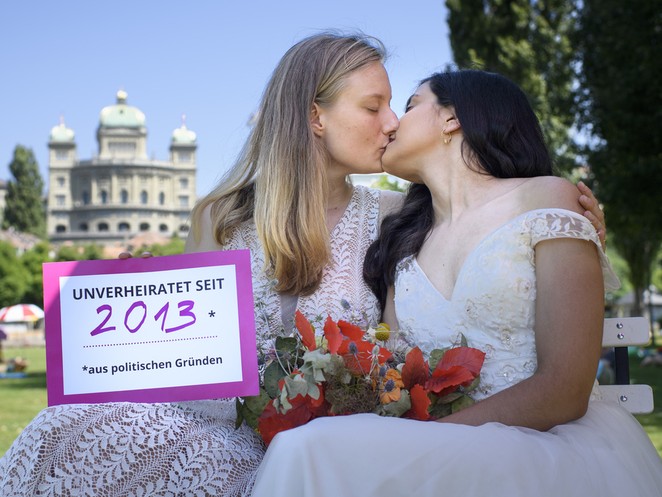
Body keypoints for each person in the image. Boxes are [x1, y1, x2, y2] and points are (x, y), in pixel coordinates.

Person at [0, 34, 606, 495]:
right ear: (316, 117)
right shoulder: (220, 215)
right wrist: (138, 299)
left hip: (326, 443)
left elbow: (485, 223)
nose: (391, 122)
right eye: (373, 106)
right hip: (218, 424)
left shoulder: (399, 215)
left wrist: (572, 222)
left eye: (396, 105)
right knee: (62, 428)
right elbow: (186, 363)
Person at [249, 70, 662, 497]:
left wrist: (431, 439)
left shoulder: (547, 198)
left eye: (409, 106)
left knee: (307, 449)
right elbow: (395, 371)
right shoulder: (402, 240)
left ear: (451, 119)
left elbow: (565, 389)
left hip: (543, 447)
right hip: (436, 445)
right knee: (307, 446)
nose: (391, 123)